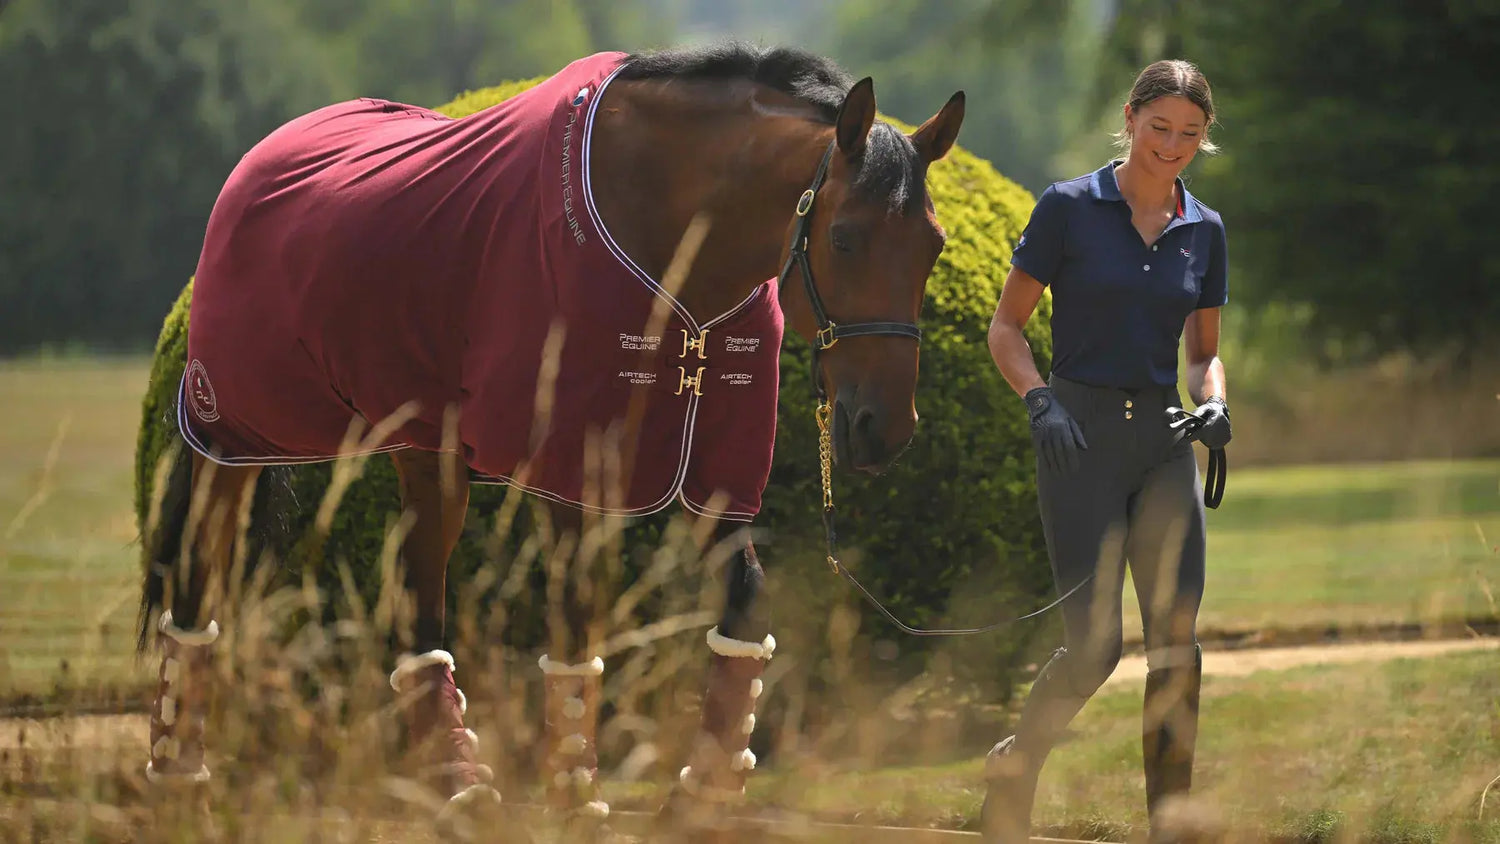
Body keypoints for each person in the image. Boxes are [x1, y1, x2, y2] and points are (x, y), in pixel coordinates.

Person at [979, 58, 1232, 843]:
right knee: (1092, 648)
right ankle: (1015, 770)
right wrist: (1040, 400)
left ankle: (1170, 825)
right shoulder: (1068, 208)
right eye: (1160, 127)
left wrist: (1215, 401)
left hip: (1163, 444)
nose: (1173, 145)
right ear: (1130, 119)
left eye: (1189, 133)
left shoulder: (1205, 230)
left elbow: (1202, 354)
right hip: (1078, 438)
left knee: (1176, 644)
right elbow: (1006, 328)